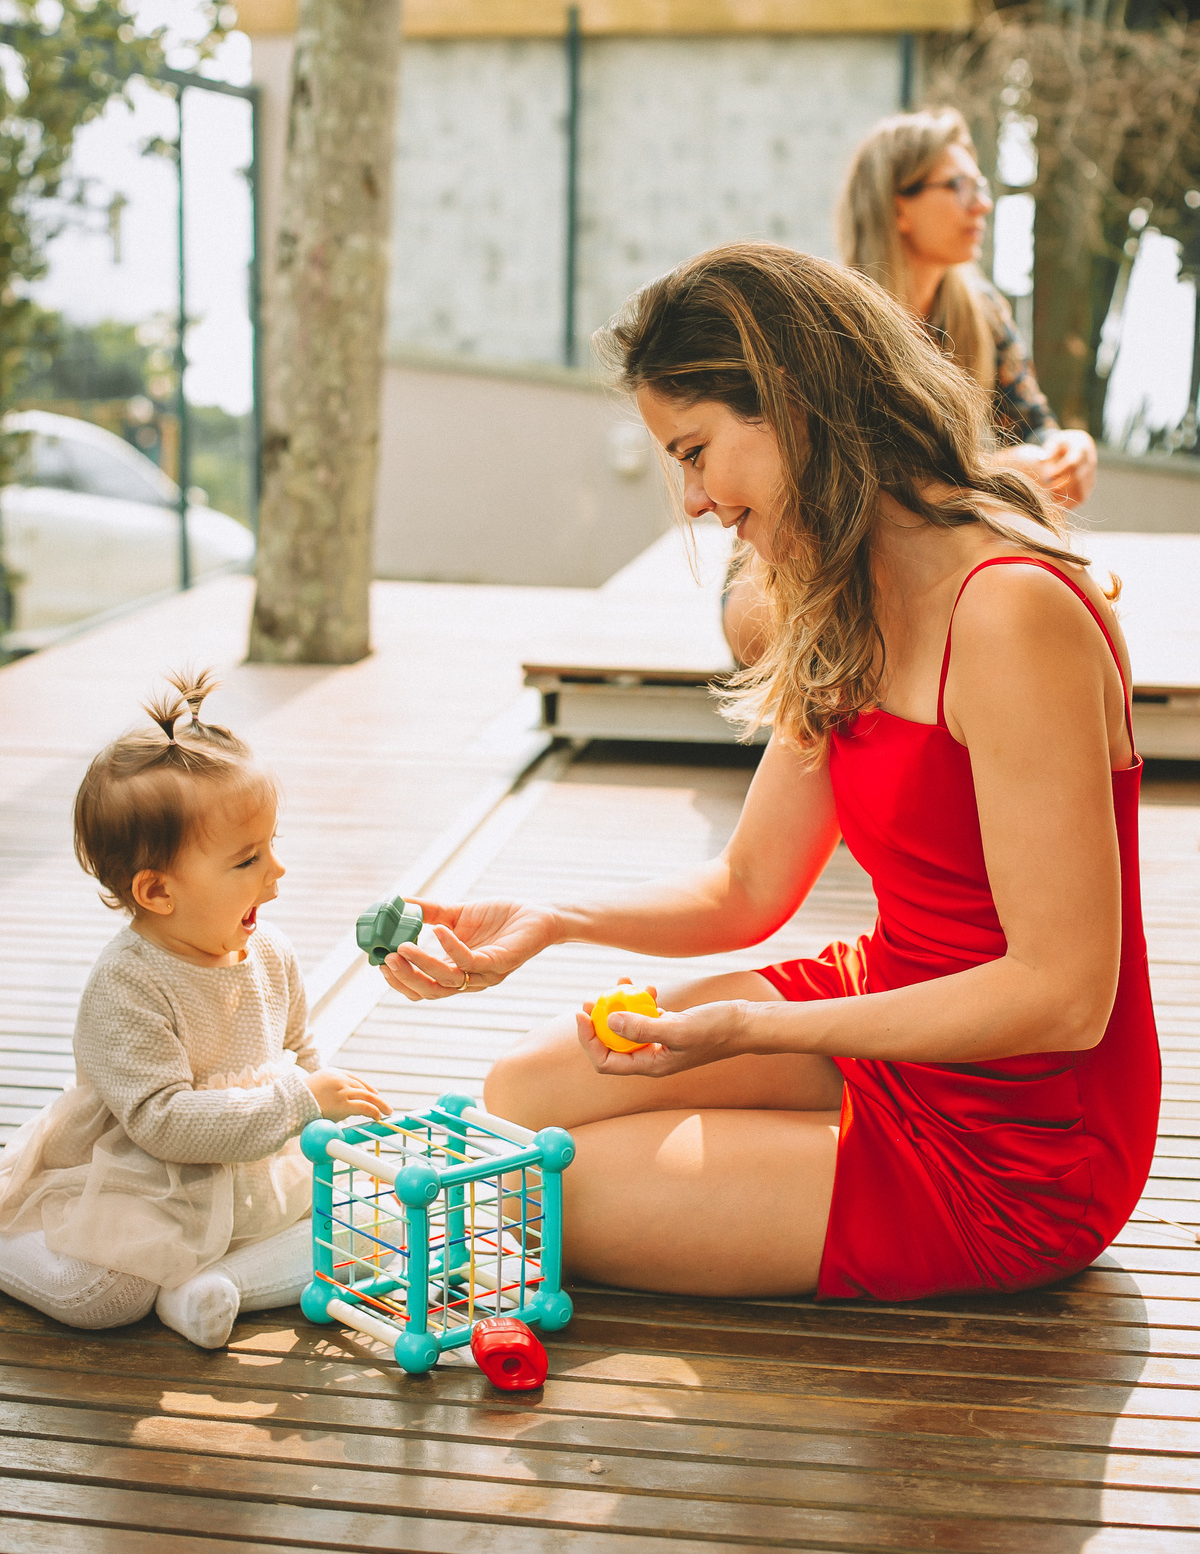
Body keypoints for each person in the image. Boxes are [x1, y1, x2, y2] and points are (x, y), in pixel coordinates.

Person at [375, 245, 1159, 1304]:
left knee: (532, 1189)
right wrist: (554, 917)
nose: (695, 500)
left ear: (790, 399)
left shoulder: (1012, 613)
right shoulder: (837, 591)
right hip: (884, 1012)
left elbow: (1062, 999)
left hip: (1018, 1138)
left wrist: (753, 1033)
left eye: (697, 451)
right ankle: (793, 1151)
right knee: (521, 1096)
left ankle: (803, 1163)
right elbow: (746, 887)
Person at [0, 671, 388, 1347]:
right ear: (156, 891)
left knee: (369, 1222)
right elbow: (162, 1123)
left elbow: (299, 1050)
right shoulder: (127, 985)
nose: (277, 871)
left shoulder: (270, 950)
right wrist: (299, 1101)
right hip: (149, 1182)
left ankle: (211, 1289)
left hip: (255, 1170)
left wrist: (332, 1117)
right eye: (247, 859)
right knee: (108, 1295)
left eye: (273, 845)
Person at [724, 107, 1098, 667]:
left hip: (924, 586)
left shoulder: (982, 311)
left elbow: (1037, 431)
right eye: (959, 186)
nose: (983, 204)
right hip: (807, 585)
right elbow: (830, 493)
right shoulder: (826, 326)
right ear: (899, 206)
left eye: (982, 185)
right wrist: (994, 477)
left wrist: (1071, 449)